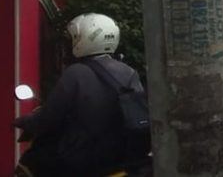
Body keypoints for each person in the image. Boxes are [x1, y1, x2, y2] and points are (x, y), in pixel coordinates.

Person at [14, 13, 148, 176]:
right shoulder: (128, 72)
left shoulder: (76, 73)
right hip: (121, 158)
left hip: (85, 160)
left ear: (83, 38)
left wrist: (26, 121)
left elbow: (50, 116)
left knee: (33, 162)